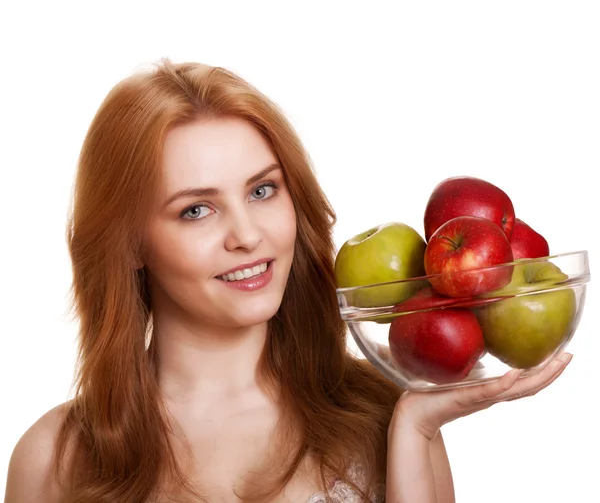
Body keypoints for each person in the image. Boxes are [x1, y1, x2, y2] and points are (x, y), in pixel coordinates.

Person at [4, 59, 572, 503]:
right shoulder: (54, 457)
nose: (248, 235)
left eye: (262, 190)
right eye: (196, 210)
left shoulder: (383, 419)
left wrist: (415, 432)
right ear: (130, 243)